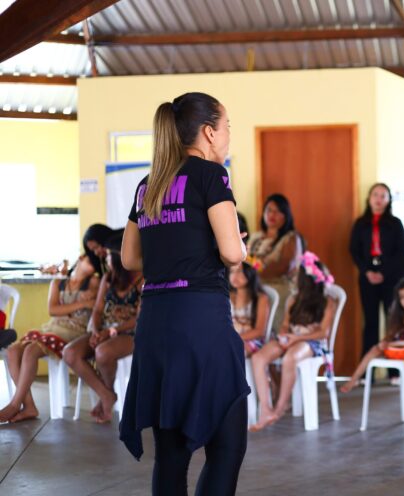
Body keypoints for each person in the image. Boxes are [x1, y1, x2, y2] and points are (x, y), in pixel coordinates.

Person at [119, 92, 248, 495]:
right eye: (227, 127)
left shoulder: (149, 184)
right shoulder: (212, 176)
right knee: (226, 447)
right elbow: (230, 252)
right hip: (201, 321)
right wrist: (239, 245)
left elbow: (129, 258)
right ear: (209, 132)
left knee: (171, 456)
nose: (228, 136)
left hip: (155, 324)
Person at [0, 255, 99, 422]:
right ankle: (29, 406)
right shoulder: (58, 282)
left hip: (75, 332)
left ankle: (15, 405)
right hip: (52, 327)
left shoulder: (93, 283)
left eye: (94, 267)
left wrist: (66, 308)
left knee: (31, 350)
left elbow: (90, 306)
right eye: (90, 263)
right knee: (12, 351)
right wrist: (80, 304)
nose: (91, 269)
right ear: (81, 258)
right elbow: (53, 310)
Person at [249, 252, 337, 431]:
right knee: (258, 358)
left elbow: (323, 333)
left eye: (296, 275)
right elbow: (285, 325)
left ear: (306, 279)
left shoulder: (328, 302)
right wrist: (284, 336)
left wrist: (297, 338)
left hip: (312, 342)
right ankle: (266, 408)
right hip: (291, 338)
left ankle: (280, 407)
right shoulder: (293, 300)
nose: (293, 277)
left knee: (290, 358)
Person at [63, 235, 142, 424]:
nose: (105, 260)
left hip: (131, 332)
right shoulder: (108, 278)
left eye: (108, 256)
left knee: (103, 352)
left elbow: (140, 318)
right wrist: (97, 330)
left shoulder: (142, 280)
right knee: (70, 353)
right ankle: (107, 395)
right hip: (104, 331)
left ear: (118, 257)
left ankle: (105, 397)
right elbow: (98, 310)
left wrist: (111, 332)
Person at [341, 276, 404, 393]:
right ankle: (354, 378)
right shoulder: (398, 313)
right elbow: (391, 335)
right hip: (398, 348)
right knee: (376, 349)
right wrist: (384, 343)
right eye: (402, 297)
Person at [350, 183, 404, 356]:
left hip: (390, 277)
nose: (379, 199)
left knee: (393, 320)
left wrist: (384, 273)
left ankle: (394, 367)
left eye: (383, 196)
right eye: (375, 195)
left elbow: (401, 252)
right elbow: (354, 250)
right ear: (369, 198)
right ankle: (368, 369)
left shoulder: (395, 223)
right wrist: (367, 271)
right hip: (367, 276)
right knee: (370, 322)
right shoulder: (361, 223)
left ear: (389, 200)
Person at [247, 193, 301, 332]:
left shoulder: (291, 238)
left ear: (286, 215)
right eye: (269, 210)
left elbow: (283, 266)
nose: (272, 215)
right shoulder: (256, 237)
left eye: (277, 211)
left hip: (279, 289)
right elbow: (243, 261)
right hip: (254, 288)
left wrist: (253, 267)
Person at [229, 262, 270, 356]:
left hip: (252, 340)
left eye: (239, 271)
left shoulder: (261, 298)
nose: (234, 276)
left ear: (250, 272)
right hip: (231, 339)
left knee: (234, 350)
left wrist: (235, 338)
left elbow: (260, 331)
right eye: (232, 271)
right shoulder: (228, 295)